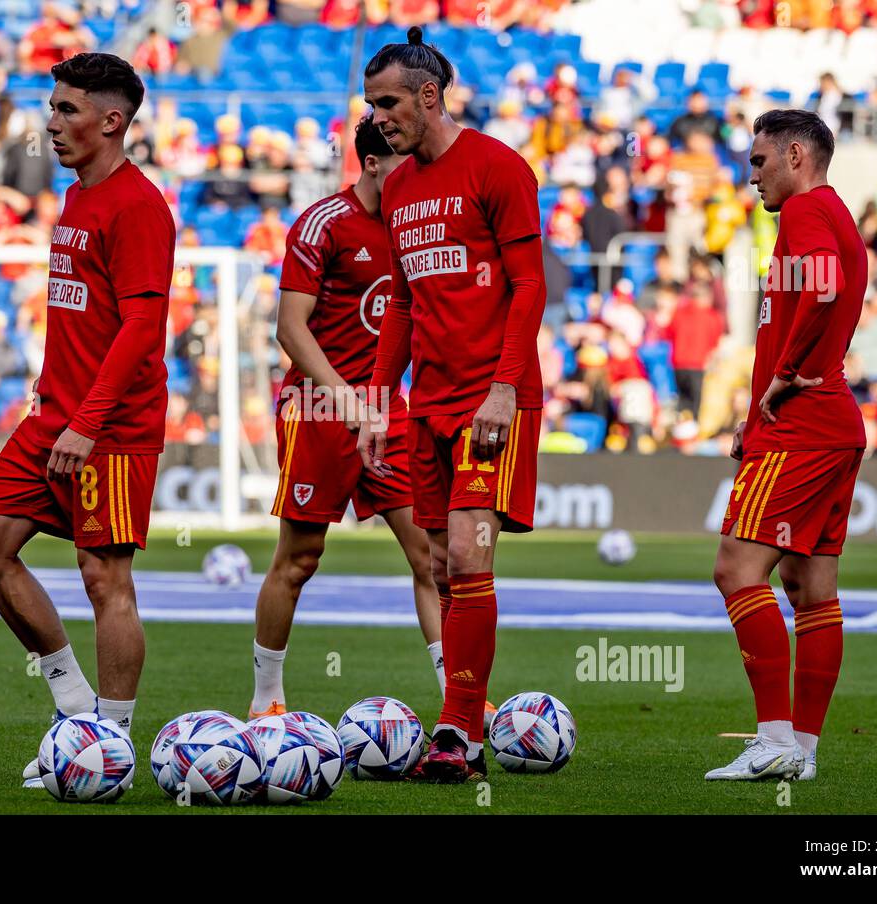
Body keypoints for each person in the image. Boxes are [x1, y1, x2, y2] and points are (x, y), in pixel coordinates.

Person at [0, 53, 175, 788]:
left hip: (109, 426)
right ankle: (72, 706)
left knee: (104, 577)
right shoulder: (79, 196)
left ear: (111, 121)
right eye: (52, 108)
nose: (51, 123)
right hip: (55, 414)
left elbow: (144, 324)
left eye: (67, 110)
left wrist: (87, 418)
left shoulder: (138, 205)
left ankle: (108, 745)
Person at [359, 27, 546, 783]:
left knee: (471, 555)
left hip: (489, 399)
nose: (378, 118)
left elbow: (531, 285)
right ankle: (463, 716)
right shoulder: (398, 187)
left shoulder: (498, 167)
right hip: (426, 402)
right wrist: (378, 400)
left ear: (430, 96)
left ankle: (458, 737)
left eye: (389, 102)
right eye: (373, 105)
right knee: (439, 566)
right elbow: (402, 301)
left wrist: (504, 388)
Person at [250, 115, 447, 720]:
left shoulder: (418, 226)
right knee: (301, 557)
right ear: (370, 164)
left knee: (433, 556)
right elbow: (290, 328)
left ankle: (458, 704)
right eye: (403, 167)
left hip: (388, 411)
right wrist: (346, 398)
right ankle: (266, 700)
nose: (414, 178)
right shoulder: (322, 223)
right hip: (318, 408)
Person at [710, 109, 867, 784]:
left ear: (796, 157)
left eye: (759, 161)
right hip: (833, 425)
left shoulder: (806, 215)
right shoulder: (834, 214)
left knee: (736, 570)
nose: (752, 177)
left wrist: (783, 373)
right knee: (810, 586)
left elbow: (824, 288)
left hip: (801, 426)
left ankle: (773, 738)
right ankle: (801, 749)